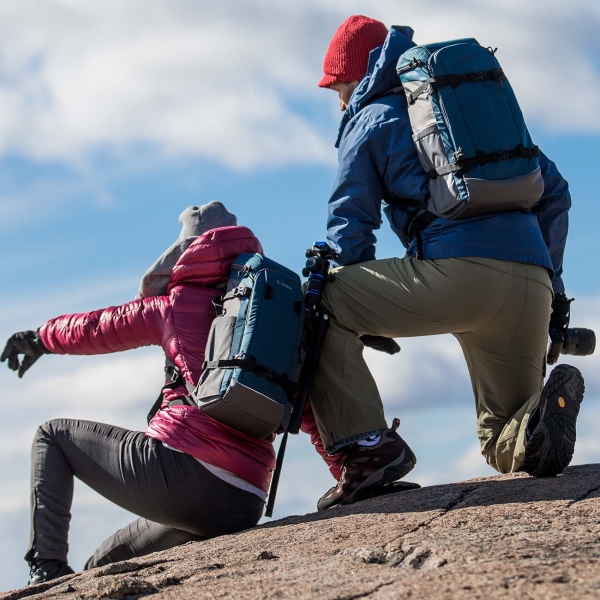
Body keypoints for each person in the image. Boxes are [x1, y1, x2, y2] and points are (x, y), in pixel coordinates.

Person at [307, 15, 585, 510]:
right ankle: (539, 422)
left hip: (456, 278)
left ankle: (370, 450)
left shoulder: (371, 117)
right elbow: (556, 192)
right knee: (506, 437)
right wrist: (553, 291)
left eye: (339, 90)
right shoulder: (469, 118)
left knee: (320, 299)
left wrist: (361, 311)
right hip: (532, 285)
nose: (341, 102)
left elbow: (349, 226)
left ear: (355, 78)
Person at [1, 202, 282, 585]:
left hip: (187, 475)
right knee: (102, 564)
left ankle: (46, 567)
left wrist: (39, 338)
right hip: (246, 497)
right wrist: (351, 477)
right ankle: (64, 585)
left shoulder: (172, 305)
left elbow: (97, 327)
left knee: (53, 435)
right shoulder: (276, 311)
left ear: (186, 251)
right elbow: (309, 407)